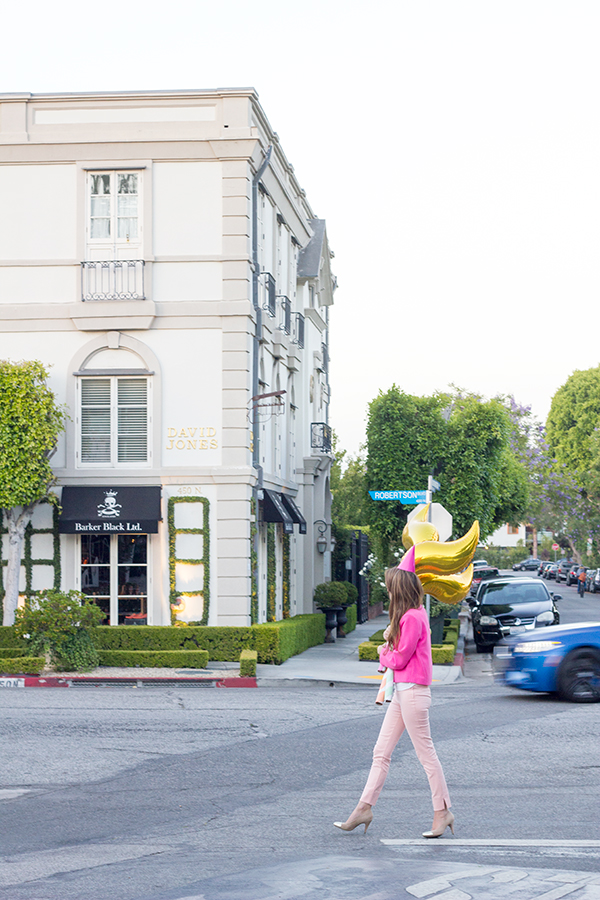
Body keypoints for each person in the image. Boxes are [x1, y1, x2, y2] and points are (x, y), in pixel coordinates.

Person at [334, 548, 454, 839]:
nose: (387, 592)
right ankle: (363, 809)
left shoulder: (412, 618)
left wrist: (382, 652)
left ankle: (443, 812)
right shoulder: (412, 615)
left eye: (389, 588)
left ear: (398, 590)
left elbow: (399, 659)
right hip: (404, 692)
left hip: (412, 691)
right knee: (381, 753)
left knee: (426, 756)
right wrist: (390, 642)